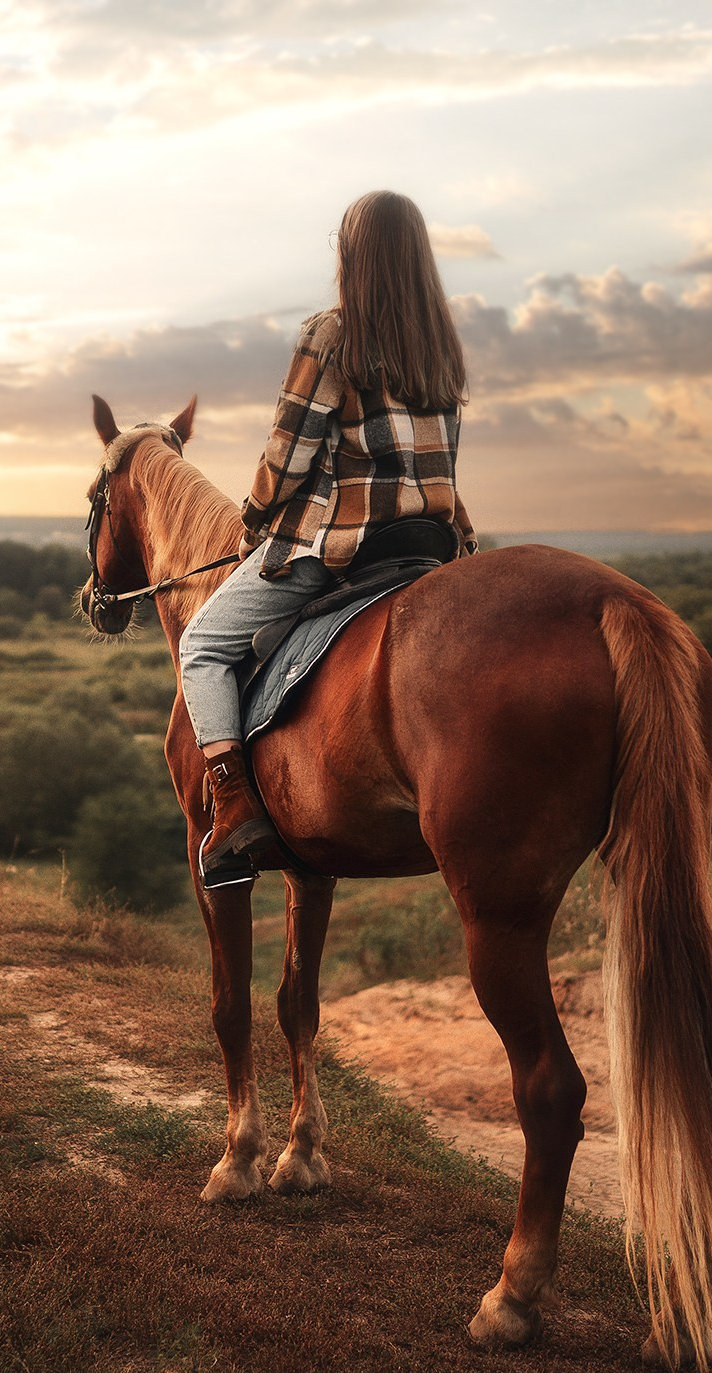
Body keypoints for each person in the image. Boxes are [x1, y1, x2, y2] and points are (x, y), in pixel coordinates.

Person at [179, 189, 477, 887]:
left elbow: (289, 457)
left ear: (353, 258)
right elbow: (446, 462)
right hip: (430, 545)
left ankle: (232, 808)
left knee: (204, 645)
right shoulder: (441, 343)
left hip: (344, 548)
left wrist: (253, 520)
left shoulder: (332, 334)